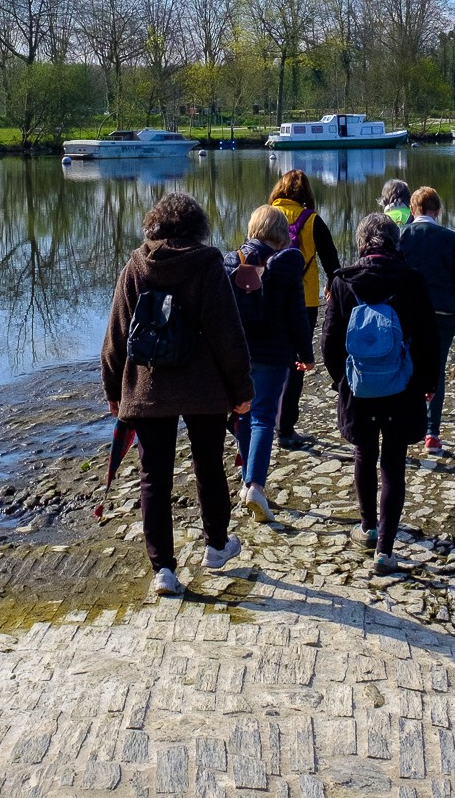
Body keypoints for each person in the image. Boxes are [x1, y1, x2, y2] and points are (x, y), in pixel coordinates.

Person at [101, 192, 254, 597]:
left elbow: (116, 334)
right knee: (208, 466)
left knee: (154, 478)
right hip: (204, 387)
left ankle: (163, 571)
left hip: (148, 387)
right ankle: (217, 547)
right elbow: (227, 334)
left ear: (154, 225)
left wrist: (114, 389)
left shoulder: (135, 266)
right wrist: (242, 389)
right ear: (196, 226)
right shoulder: (207, 264)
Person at [322, 214, 440, 574]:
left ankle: (367, 528)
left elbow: (328, 342)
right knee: (393, 463)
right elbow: (428, 339)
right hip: (402, 388)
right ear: (395, 242)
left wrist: (341, 380)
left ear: (361, 244)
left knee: (363, 454)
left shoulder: (342, 282)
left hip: (359, 389)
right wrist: (428, 384)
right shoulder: (412, 280)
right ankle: (386, 550)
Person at [225, 204, 312, 522]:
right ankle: (256, 487)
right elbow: (297, 316)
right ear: (280, 235)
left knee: (243, 416)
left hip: (237, 354)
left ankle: (249, 480)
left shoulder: (231, 261)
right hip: (274, 354)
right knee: (262, 419)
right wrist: (306, 354)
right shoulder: (287, 266)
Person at [399, 187, 455, 455]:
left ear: (413, 210)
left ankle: (409, 424)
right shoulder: (449, 238)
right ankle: (432, 434)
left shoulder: (403, 236)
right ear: (438, 211)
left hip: (409, 313)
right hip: (443, 313)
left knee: (409, 366)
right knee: (436, 370)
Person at [268, 170, 341, 447]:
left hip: (266, 297)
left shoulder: (264, 215)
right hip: (304, 299)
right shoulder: (312, 220)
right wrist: (332, 288)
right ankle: (285, 428)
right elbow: (332, 264)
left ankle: (260, 420)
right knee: (296, 361)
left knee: (266, 358)